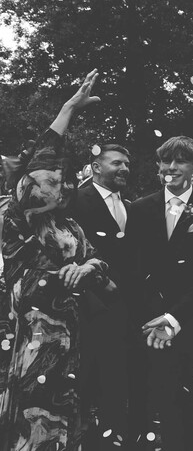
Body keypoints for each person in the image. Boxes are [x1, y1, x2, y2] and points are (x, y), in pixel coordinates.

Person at [0, 70, 116, 451]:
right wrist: (68, 110)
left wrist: (86, 268)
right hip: (32, 344)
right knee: (33, 428)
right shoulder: (16, 218)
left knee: (68, 426)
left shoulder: (70, 227)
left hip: (72, 344)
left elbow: (102, 270)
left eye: (66, 180)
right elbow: (38, 178)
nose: (61, 185)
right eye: (54, 178)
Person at [124, 136, 193, 451]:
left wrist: (174, 317)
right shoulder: (140, 208)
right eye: (166, 161)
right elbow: (134, 270)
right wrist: (156, 318)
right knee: (166, 404)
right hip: (154, 328)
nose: (171, 167)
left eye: (180, 161)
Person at [69, 143, 134, 450]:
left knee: (116, 379)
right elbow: (68, 252)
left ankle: (114, 437)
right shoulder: (76, 200)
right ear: (96, 167)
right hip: (88, 307)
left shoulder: (129, 205)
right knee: (85, 382)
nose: (124, 169)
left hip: (124, 308)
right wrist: (95, 292)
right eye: (117, 163)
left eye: (127, 164)